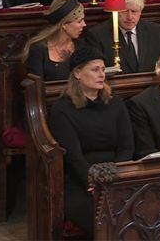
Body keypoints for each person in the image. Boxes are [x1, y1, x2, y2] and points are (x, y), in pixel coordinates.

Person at [48, 46, 134, 236]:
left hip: (116, 176)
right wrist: (95, 181)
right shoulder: (62, 109)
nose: (101, 74)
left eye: (103, 69)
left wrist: (117, 177)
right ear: (77, 72)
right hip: (80, 182)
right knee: (106, 217)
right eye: (95, 69)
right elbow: (73, 156)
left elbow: (126, 146)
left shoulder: (115, 103)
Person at [85, 0, 160, 73]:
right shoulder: (97, 35)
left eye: (134, 11)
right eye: (124, 11)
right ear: (115, 11)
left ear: (141, 12)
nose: (130, 17)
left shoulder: (155, 32)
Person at [22, 0, 86, 81]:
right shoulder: (38, 49)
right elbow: (36, 87)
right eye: (79, 21)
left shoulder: (81, 45)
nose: (84, 24)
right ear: (64, 25)